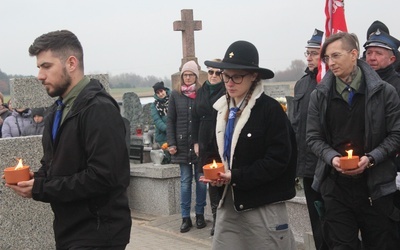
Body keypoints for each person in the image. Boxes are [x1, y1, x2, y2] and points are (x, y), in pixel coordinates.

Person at [4, 30, 131, 249]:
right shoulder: (56, 110)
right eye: (39, 68)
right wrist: (37, 177)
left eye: (46, 66)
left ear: (71, 63)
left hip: (98, 231)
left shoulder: (99, 109)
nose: (39, 76)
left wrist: (42, 188)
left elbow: (103, 177)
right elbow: (57, 163)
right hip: (68, 229)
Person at [307, 32, 400, 249]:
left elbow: (396, 134)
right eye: (327, 58)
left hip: (375, 188)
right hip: (336, 188)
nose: (331, 63)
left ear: (354, 54)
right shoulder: (319, 95)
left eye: (336, 56)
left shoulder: (385, 92)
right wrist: (332, 158)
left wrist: (371, 158)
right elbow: (313, 138)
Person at [201, 41, 297, 249]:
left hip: (264, 206)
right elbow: (212, 151)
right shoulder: (221, 110)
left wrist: (236, 175)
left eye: (237, 76)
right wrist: (214, 172)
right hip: (229, 203)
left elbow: (278, 160)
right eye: (226, 75)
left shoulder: (270, 111)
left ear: (254, 76)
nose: (229, 82)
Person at [292, 28, 328, 250]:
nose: (309, 57)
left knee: (333, 219)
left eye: (314, 53)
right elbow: (296, 123)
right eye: (308, 52)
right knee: (316, 219)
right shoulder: (302, 83)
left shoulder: (330, 81)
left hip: (327, 164)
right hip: (307, 165)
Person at [167, 60, 207, 233]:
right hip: (182, 145)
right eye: (185, 75)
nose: (188, 78)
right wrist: (172, 143)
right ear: (182, 77)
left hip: (199, 145)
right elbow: (170, 120)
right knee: (184, 182)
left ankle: (199, 214)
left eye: (191, 75)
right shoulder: (175, 95)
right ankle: (185, 217)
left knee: (201, 182)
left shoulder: (201, 93)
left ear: (196, 77)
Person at [192, 59, 225, 236]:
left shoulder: (226, 90)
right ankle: (216, 220)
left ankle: (226, 220)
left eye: (217, 73)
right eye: (210, 72)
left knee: (222, 180)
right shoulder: (202, 90)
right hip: (205, 142)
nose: (213, 76)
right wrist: (196, 142)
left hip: (220, 141)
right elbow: (194, 118)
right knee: (211, 182)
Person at [364, 29, 400, 96]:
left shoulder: (397, 85)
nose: (372, 58)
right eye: (369, 53)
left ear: (391, 59)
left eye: (378, 53)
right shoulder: (359, 83)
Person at [150, 81, 170, 146]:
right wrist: (167, 129)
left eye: (161, 91)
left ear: (165, 90)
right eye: (158, 93)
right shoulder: (154, 105)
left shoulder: (173, 100)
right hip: (162, 136)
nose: (160, 94)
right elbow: (157, 120)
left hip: (175, 133)